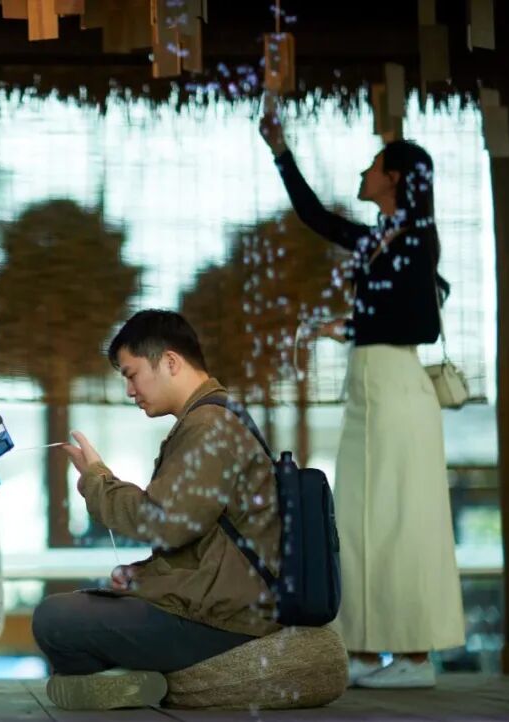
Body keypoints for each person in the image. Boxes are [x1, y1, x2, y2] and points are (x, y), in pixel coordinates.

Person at [260, 110, 464, 688]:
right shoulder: (381, 237)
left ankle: (416, 657)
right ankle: (370, 651)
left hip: (397, 392)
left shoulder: (415, 239)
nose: (363, 172)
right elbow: (316, 218)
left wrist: (347, 326)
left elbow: (421, 325)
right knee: (360, 519)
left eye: (374, 166)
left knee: (401, 518)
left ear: (394, 178)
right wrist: (280, 151)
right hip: (371, 391)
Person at [32, 310, 281, 711]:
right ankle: (129, 680)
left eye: (131, 374)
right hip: (223, 604)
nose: (130, 391)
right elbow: (198, 537)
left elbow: (164, 522)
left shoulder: (208, 426)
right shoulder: (217, 417)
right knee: (76, 612)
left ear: (170, 361)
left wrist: (97, 480)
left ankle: (136, 682)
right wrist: (143, 577)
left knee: (54, 620)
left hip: (223, 621)